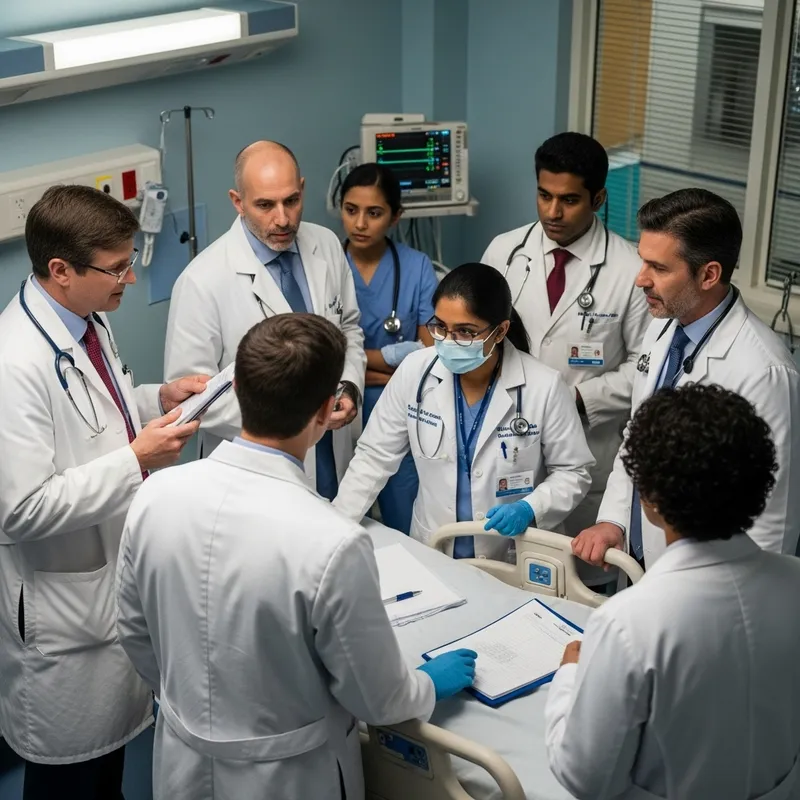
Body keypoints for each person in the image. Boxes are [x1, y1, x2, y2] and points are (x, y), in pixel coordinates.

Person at [117, 313, 477, 800]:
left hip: (183, 760)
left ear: (239, 390)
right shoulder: (331, 541)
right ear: (328, 410)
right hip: (291, 776)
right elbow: (377, 698)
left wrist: (201, 707)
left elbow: (136, 635)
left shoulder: (156, 493)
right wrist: (426, 686)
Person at [0, 185, 207, 799]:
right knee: (70, 784)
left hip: (105, 595)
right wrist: (136, 461)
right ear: (60, 271)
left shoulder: (88, 321)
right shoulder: (14, 365)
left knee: (107, 778)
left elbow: (93, 421)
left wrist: (155, 400)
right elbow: (20, 509)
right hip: (61, 625)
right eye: (116, 268)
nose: (130, 279)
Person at [545, 383, 800, 800]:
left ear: (650, 498)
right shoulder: (794, 581)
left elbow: (584, 778)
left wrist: (570, 674)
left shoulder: (630, 622)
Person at [573, 188, 800, 570]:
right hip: (640, 559)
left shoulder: (765, 372)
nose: (640, 280)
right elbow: (639, 436)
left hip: (711, 585)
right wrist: (613, 519)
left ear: (709, 274)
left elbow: (774, 516)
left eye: (659, 268)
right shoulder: (663, 327)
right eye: (643, 262)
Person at [334, 263, 595, 560]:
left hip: (513, 554)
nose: (448, 340)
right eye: (441, 327)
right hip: (434, 546)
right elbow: (373, 457)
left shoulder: (544, 386)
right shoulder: (415, 372)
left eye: (465, 332)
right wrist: (335, 527)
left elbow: (574, 471)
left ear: (500, 331)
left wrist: (530, 507)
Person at [164, 140, 366, 500]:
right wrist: (295, 418)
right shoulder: (202, 281)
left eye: (291, 200)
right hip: (256, 470)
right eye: (264, 205)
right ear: (237, 202)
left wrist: (349, 386)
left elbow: (348, 328)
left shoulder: (327, 244)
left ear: (303, 189)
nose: (283, 219)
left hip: (331, 448)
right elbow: (194, 398)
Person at [481, 132, 649, 549]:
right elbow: (479, 337)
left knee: (575, 590)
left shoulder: (630, 270)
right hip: (506, 446)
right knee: (500, 576)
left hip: (586, 452)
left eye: (569, 200)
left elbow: (647, 368)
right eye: (543, 195)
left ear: (598, 198)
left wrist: (575, 398)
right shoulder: (504, 252)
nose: (552, 212)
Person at [340, 162, 437, 533]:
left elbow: (430, 357)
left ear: (396, 216)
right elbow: (323, 362)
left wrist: (358, 366)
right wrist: (394, 360)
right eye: (351, 210)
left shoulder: (416, 267)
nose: (360, 223)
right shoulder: (326, 267)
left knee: (404, 522)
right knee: (340, 519)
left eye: (374, 213)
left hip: (400, 408)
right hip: (337, 407)